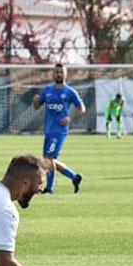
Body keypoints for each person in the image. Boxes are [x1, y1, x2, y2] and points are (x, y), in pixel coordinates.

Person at [32, 63, 85, 193]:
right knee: (49, 160)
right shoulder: (48, 90)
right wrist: (35, 102)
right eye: (57, 72)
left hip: (59, 130)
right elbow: (37, 107)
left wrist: (70, 118)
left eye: (61, 72)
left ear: (66, 74)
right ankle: (74, 177)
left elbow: (82, 108)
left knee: (49, 159)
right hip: (48, 129)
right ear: (53, 74)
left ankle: (49, 189)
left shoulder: (69, 91)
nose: (59, 74)